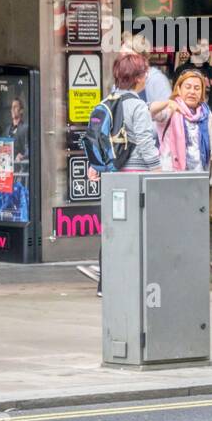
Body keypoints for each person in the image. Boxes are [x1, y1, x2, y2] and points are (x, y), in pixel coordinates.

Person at [77, 52, 161, 292]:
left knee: (114, 230)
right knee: (138, 231)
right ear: (139, 78)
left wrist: (96, 165)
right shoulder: (137, 106)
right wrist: (158, 171)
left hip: (113, 177)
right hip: (136, 177)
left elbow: (100, 138)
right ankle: (133, 282)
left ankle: (106, 284)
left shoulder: (105, 103)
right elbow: (145, 143)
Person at [152, 72, 211, 173]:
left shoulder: (206, 114)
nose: (192, 92)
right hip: (171, 173)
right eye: (188, 87)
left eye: (197, 88)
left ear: (202, 92)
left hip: (200, 173)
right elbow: (151, 111)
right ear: (179, 89)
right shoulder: (171, 109)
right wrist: (167, 103)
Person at [121, 32, 171, 106]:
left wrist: (149, 109)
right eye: (121, 57)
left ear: (142, 57)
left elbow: (168, 109)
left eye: (128, 57)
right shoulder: (121, 80)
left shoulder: (157, 79)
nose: (123, 61)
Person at [173, 39, 212, 110]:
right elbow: (175, 95)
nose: (206, 50)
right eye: (203, 46)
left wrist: (211, 113)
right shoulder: (181, 71)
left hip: (206, 115)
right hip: (185, 115)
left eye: (207, 46)